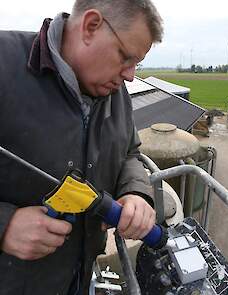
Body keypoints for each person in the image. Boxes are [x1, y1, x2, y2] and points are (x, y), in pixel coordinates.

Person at [0, 0, 163, 294]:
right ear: (90, 26)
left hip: (80, 278)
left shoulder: (115, 91)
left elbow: (129, 152)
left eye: (137, 63)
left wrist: (135, 192)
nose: (130, 75)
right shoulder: (3, 63)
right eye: (125, 57)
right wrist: (4, 227)